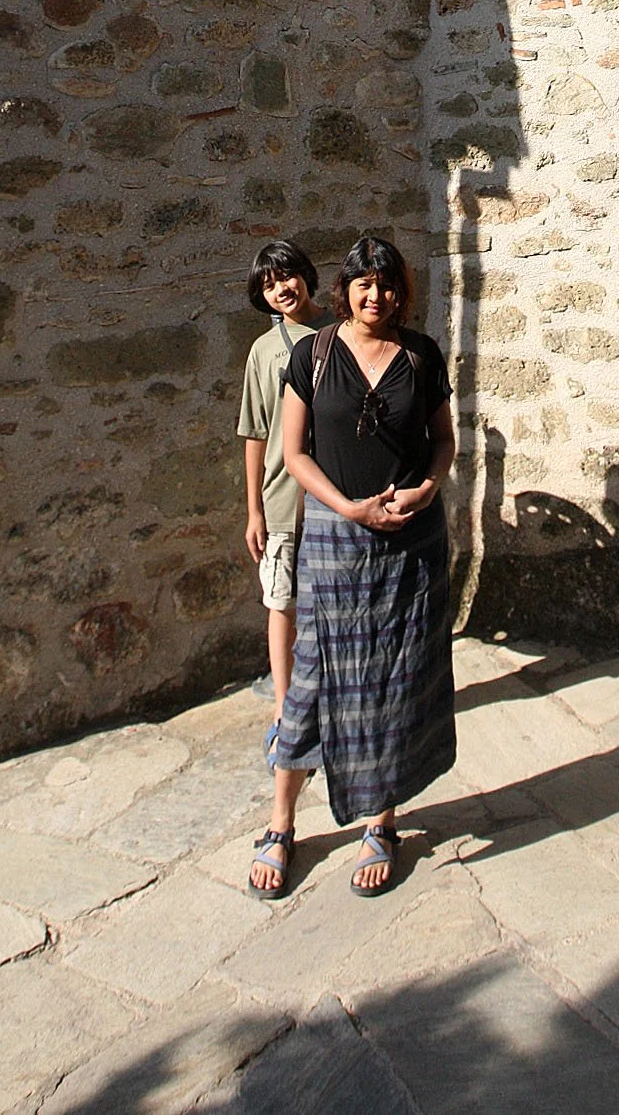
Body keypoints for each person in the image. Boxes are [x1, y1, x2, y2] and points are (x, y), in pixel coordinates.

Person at [248, 234, 456, 903]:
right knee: (311, 680)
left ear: (402, 290)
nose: (377, 294)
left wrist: (428, 486)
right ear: (345, 288)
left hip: (410, 540)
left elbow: (444, 439)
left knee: (394, 677)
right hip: (336, 535)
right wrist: (346, 506)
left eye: (389, 283)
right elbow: (294, 450)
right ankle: (280, 824)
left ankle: (381, 822)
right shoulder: (312, 353)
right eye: (364, 283)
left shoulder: (421, 354)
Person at [236, 239, 326, 757]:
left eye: (286, 277)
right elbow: (253, 432)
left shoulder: (339, 332)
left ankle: (334, 703)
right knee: (282, 603)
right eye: (268, 284)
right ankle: (285, 711)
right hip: (282, 499)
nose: (281, 290)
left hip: (335, 495)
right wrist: (253, 510)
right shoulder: (263, 353)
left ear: (305, 275)